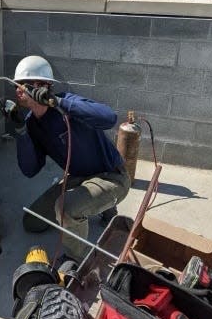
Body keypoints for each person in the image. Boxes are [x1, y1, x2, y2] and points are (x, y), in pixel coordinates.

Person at [8, 55, 130, 263]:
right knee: (32, 222)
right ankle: (98, 205)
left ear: (44, 86)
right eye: (17, 85)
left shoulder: (68, 103)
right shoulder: (32, 125)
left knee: (66, 208)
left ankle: (75, 259)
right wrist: (21, 133)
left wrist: (59, 103)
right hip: (80, 177)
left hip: (112, 177)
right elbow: (30, 170)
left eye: (24, 84)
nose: (18, 90)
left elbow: (109, 117)